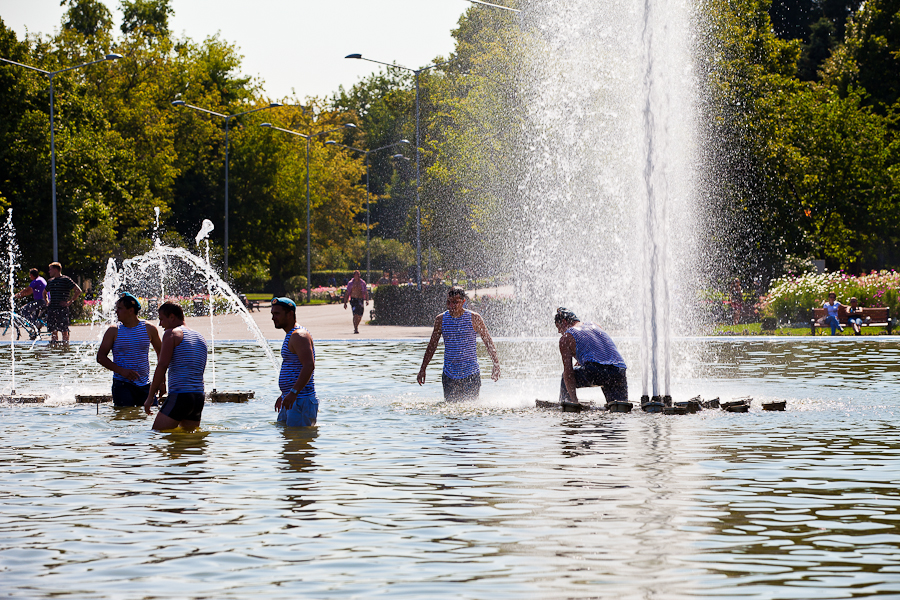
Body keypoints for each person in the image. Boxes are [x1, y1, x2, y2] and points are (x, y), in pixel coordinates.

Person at [417, 286, 500, 401]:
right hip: (449, 375)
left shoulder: (474, 318)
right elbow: (432, 346)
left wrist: (496, 364)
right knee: (451, 413)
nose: (452, 306)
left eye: (455, 302)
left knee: (470, 411)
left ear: (463, 302)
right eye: (449, 302)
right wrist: (423, 369)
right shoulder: (441, 320)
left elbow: (488, 342)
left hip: (471, 374)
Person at [144, 302, 208, 431]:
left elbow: (162, 365)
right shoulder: (200, 337)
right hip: (198, 397)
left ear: (172, 317)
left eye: (161, 319)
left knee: (157, 436)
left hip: (180, 395)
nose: (160, 324)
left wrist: (150, 396)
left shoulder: (172, 334)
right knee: (189, 442)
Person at [96, 293, 163, 407]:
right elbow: (100, 357)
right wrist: (122, 371)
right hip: (122, 385)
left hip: (145, 385)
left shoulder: (149, 329)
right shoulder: (113, 331)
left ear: (131, 310)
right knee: (124, 419)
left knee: (150, 417)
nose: (116, 312)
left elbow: (161, 355)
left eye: (120, 308)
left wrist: (161, 381)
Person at [554, 307, 628, 407]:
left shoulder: (566, 338)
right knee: (619, 407)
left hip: (596, 372)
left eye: (559, 328)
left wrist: (574, 401)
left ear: (564, 322)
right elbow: (600, 350)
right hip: (619, 371)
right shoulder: (595, 325)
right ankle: (619, 405)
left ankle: (568, 406)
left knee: (565, 378)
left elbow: (568, 372)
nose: (560, 332)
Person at [271, 297, 318, 427]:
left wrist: (293, 392)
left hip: (301, 401)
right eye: (272, 314)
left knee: (299, 443)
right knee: (288, 443)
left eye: (277, 314)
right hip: (292, 399)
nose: (273, 318)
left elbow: (309, 366)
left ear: (290, 313)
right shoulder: (291, 335)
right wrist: (285, 394)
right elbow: (294, 367)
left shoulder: (299, 335)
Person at [43, 262, 82, 344]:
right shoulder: (50, 281)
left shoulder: (65, 280)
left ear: (56, 269)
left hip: (62, 309)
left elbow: (78, 291)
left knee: (64, 330)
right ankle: (55, 349)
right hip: (52, 308)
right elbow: (44, 292)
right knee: (53, 331)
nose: (49, 272)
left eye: (50, 270)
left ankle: (65, 348)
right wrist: (47, 302)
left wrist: (69, 302)